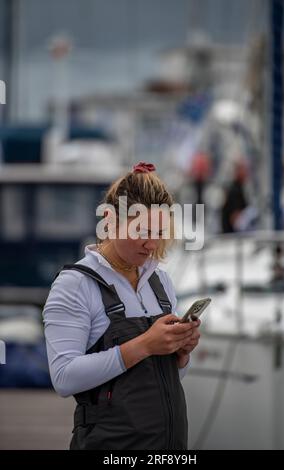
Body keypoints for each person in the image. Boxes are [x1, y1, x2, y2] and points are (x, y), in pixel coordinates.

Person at [43, 161, 201, 450]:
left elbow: (168, 378)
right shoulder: (75, 284)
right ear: (110, 221)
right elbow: (64, 377)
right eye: (142, 231)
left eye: (159, 233)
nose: (152, 244)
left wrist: (179, 354)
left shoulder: (160, 281)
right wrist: (145, 345)